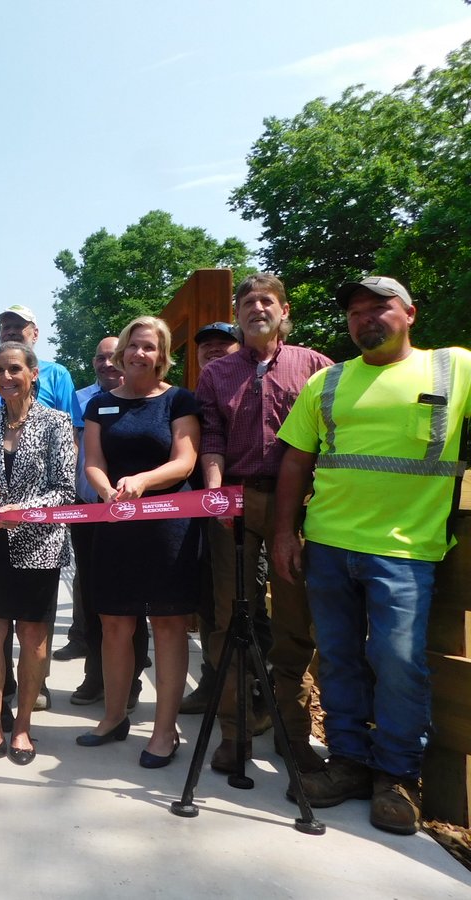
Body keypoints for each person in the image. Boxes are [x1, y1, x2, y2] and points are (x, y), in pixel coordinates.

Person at [275, 275, 471, 835]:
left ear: (409, 312)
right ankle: (349, 765)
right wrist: (285, 535)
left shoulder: (453, 367)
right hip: (330, 546)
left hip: (407, 551)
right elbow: (294, 461)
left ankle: (398, 779)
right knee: (337, 659)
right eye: (355, 311)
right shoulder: (328, 383)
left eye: (379, 307)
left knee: (397, 662)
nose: (366, 318)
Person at [195, 274, 333, 775]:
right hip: (231, 499)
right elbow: (211, 436)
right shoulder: (217, 373)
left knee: (293, 623)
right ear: (238, 313)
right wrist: (215, 495)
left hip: (294, 507)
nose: (256, 308)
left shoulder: (316, 367)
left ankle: (294, 735)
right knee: (228, 620)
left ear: (283, 310)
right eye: (247, 301)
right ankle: (235, 731)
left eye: (266, 300)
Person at [77, 316, 199, 769]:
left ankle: (164, 731)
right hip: (115, 524)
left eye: (150, 347)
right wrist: (106, 490)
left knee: (167, 625)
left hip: (169, 527)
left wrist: (144, 481)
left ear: (162, 354)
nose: (139, 354)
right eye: (133, 346)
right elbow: (92, 460)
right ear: (121, 352)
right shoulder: (100, 405)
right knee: (114, 624)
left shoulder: (179, 400)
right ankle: (113, 717)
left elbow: (186, 461)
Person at [0, 341, 75, 770]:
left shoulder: (57, 423)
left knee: (32, 637)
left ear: (33, 374)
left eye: (14, 369)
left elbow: (65, 490)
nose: (6, 377)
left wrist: (21, 514)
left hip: (38, 545)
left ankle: (23, 726)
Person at [0, 304, 83, 712]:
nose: (7, 377)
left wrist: (22, 509)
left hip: (40, 536)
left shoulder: (57, 380)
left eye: (18, 326)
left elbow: (68, 454)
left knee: (33, 628)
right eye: (5, 325)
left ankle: (32, 690)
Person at [59, 337, 148, 720]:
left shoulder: (147, 397)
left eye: (114, 355)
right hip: (88, 510)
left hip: (134, 513)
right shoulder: (79, 399)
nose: (107, 363)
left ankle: (130, 682)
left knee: (132, 600)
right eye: (100, 356)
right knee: (93, 596)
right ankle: (95, 675)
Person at [179, 321, 246, 716]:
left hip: (243, 513)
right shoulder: (190, 400)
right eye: (206, 347)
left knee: (242, 602)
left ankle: (249, 694)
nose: (214, 351)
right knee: (207, 600)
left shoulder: (246, 394)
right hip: (200, 519)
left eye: (225, 344)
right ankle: (213, 681)